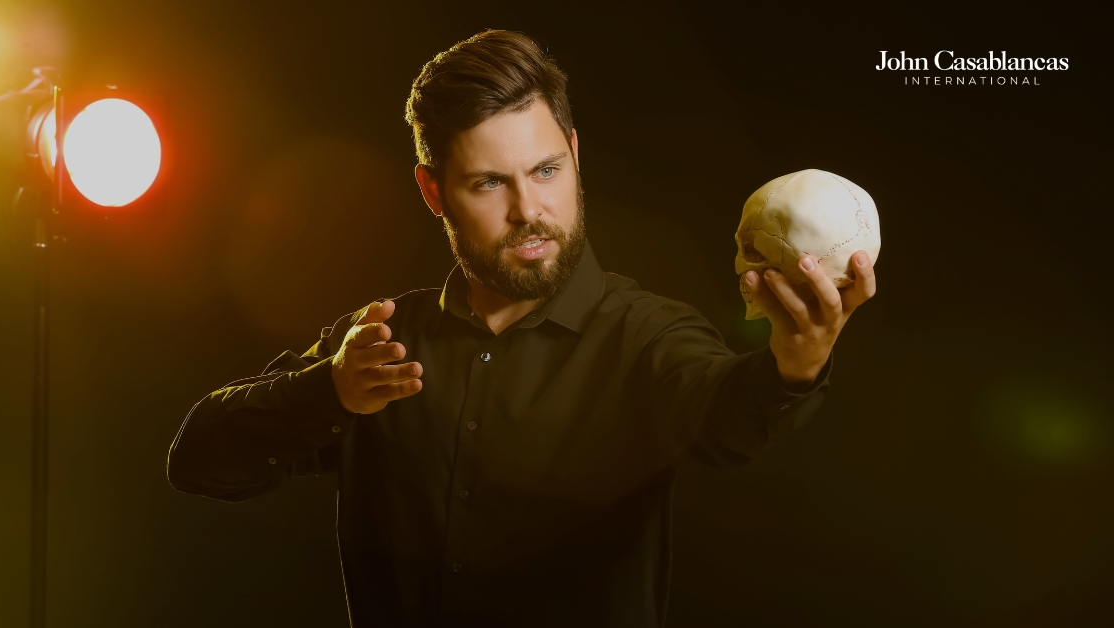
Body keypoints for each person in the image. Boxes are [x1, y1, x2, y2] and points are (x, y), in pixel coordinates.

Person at [167, 29, 877, 627]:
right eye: (488, 183)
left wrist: (794, 364)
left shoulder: (647, 337)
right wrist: (328, 392)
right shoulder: (380, 345)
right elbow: (199, 460)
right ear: (432, 190)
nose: (529, 210)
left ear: (575, 153)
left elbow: (727, 414)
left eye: (545, 170)